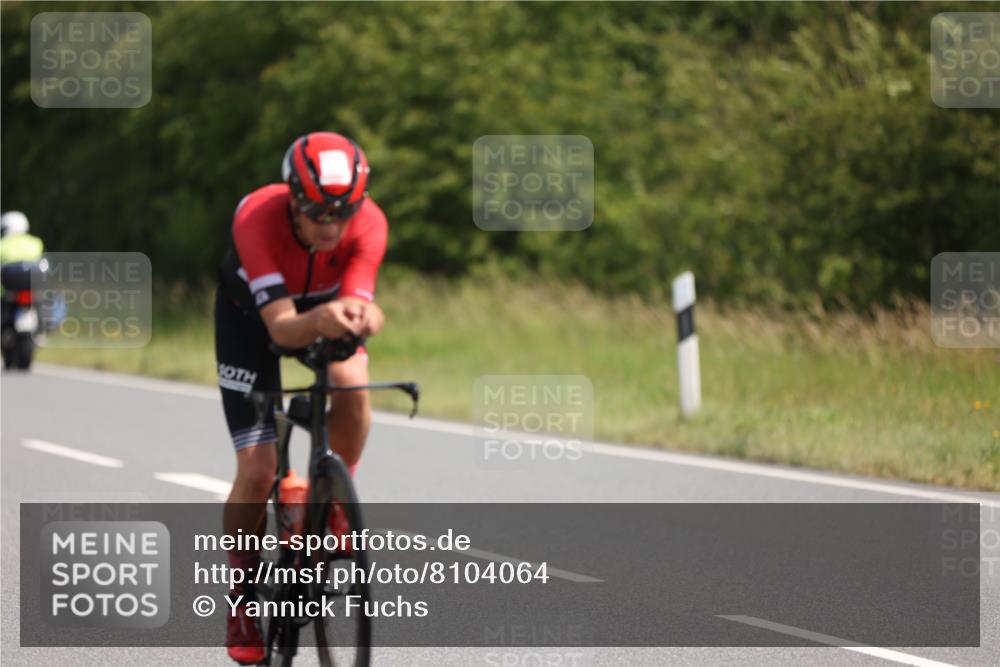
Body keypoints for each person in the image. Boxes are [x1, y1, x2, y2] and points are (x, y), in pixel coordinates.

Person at [215, 132, 387, 664]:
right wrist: (325, 318)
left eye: (344, 211)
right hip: (253, 325)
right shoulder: (256, 216)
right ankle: (241, 597)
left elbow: (359, 304)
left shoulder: (371, 223)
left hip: (321, 314)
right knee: (258, 469)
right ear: (293, 198)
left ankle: (330, 496)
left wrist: (367, 316)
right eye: (318, 212)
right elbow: (283, 328)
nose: (332, 225)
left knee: (353, 385)